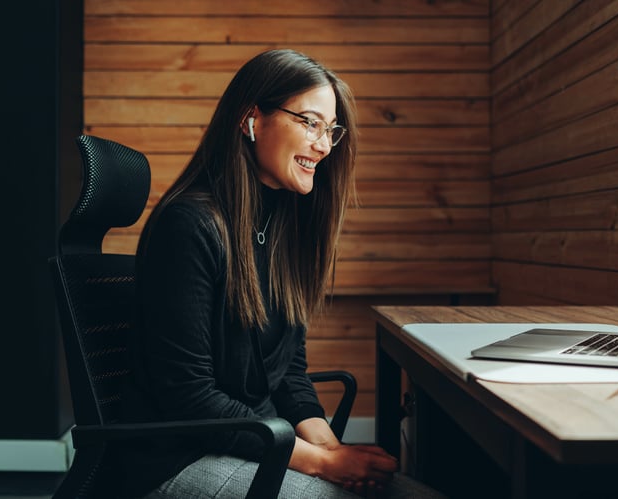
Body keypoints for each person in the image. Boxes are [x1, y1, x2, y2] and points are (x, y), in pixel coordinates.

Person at [112, 49, 448, 498]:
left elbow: (288, 369)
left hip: (254, 442)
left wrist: (331, 448)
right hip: (177, 458)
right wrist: (322, 463)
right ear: (252, 120)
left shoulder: (277, 224)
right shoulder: (189, 225)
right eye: (310, 122)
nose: (324, 145)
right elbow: (190, 399)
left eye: (331, 130)